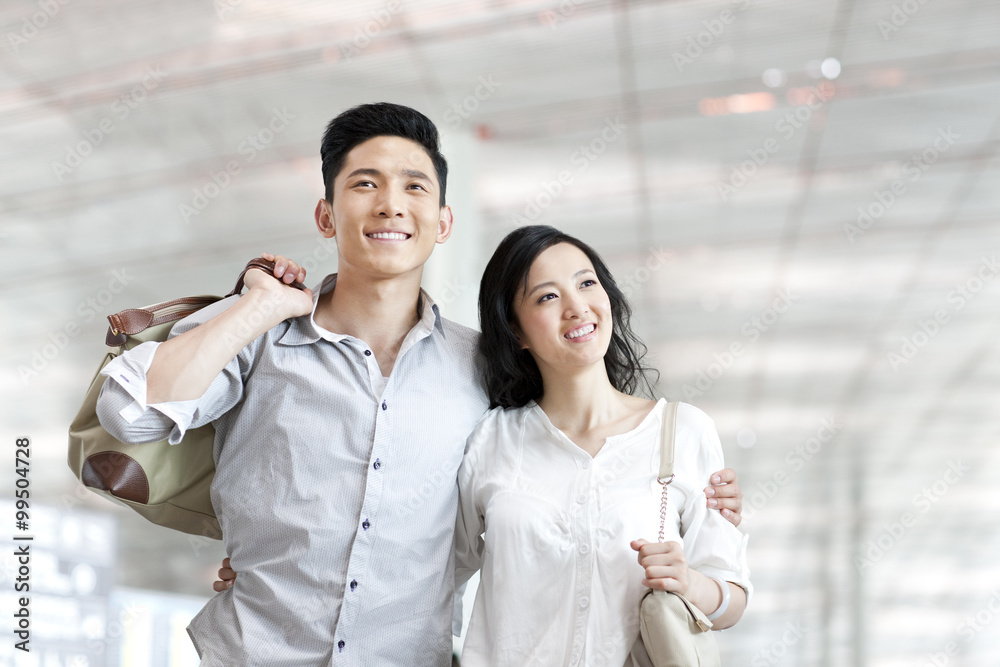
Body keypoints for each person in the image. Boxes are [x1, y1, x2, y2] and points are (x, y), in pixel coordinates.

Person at [97, 102, 745, 666]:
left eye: (414, 186)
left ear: (443, 222)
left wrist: (688, 504)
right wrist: (258, 306)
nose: (390, 203)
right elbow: (130, 415)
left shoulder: (479, 371)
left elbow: (543, 481)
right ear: (325, 214)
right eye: (365, 184)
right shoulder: (261, 332)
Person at [452, 225, 750, 666]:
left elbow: (731, 598)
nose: (576, 307)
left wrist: (687, 581)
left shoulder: (682, 431)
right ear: (517, 332)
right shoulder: (492, 438)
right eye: (547, 297)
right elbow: (440, 576)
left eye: (587, 283)